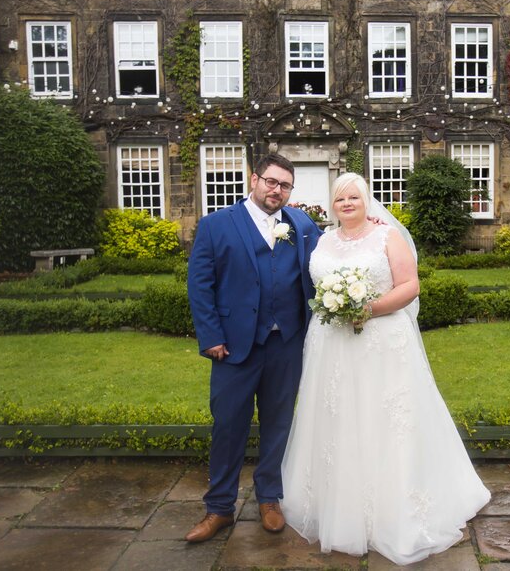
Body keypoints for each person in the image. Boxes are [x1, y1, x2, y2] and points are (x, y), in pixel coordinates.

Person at [280, 172, 491, 565]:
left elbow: (410, 285)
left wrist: (368, 308)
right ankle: (338, 506)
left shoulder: (386, 236)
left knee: (384, 422)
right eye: (340, 198)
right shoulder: (323, 239)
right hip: (332, 345)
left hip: (380, 342)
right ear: (333, 204)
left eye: (354, 198)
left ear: (367, 201)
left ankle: (394, 511)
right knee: (337, 421)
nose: (347, 204)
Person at [185, 153, 322, 542]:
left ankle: (269, 498)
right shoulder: (216, 225)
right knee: (228, 426)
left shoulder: (302, 224)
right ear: (254, 179)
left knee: (279, 425)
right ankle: (219, 508)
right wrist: (210, 336)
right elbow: (200, 284)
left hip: (286, 344)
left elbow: (335, 254)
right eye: (271, 182)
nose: (277, 190)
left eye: (285, 185)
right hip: (233, 347)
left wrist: (373, 226)